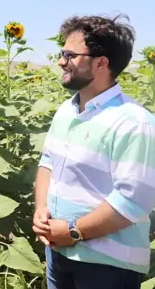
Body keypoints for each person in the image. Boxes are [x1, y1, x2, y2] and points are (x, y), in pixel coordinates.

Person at [32, 14, 155, 289]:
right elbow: (48, 162)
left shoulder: (133, 122)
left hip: (107, 264)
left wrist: (74, 231)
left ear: (101, 63)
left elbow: (133, 201)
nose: (61, 61)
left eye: (70, 54)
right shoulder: (67, 110)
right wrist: (42, 209)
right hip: (58, 251)